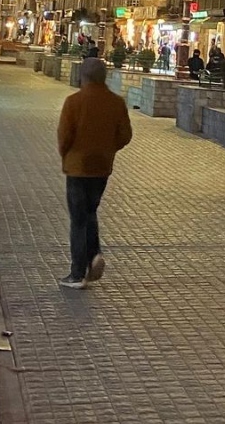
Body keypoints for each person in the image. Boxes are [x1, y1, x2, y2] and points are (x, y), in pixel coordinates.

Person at [56, 58, 132, 288]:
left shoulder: (74, 102)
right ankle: (93, 255)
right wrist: (108, 149)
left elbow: (64, 136)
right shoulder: (116, 103)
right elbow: (125, 135)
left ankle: (77, 273)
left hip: (78, 167)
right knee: (90, 211)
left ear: (84, 76)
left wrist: (67, 155)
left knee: (78, 219)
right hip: (102, 167)